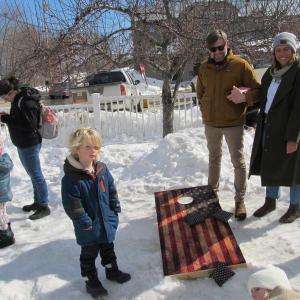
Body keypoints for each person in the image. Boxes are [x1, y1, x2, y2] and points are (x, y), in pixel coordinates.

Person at [196, 29, 260, 220]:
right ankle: (211, 196)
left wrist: (245, 97)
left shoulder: (241, 65)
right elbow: (200, 93)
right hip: (211, 123)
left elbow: (258, 91)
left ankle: (239, 201)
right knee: (213, 159)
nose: (217, 52)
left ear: (227, 44)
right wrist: (205, 109)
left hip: (233, 123)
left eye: (220, 48)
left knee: (237, 162)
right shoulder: (203, 68)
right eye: (212, 49)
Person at [61, 128, 131, 298]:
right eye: (88, 147)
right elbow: (72, 205)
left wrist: (114, 208)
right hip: (87, 226)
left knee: (108, 248)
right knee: (89, 254)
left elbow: (111, 190)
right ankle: (90, 279)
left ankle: (111, 270)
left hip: (106, 221)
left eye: (97, 147)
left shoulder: (102, 170)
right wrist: (84, 221)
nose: (93, 151)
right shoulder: (71, 178)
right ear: (76, 149)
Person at [249, 32, 300, 223]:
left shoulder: (297, 71)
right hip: (269, 125)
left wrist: (293, 137)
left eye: (286, 49)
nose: (282, 53)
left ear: (293, 50)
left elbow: (298, 108)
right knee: (270, 162)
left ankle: (296, 206)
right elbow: (264, 99)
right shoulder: (271, 74)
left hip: (290, 128)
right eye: (278, 50)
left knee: (294, 167)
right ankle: (270, 201)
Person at [0, 77, 50, 220]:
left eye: (4, 97)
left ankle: (44, 206)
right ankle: (38, 201)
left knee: (36, 175)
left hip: (30, 143)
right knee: (32, 174)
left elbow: (29, 125)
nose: (5, 100)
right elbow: (21, 119)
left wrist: (6, 119)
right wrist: (8, 117)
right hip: (23, 143)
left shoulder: (26, 101)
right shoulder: (19, 99)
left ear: (11, 92)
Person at [0, 140, 14, 248]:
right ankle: (7, 228)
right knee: (2, 212)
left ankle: (5, 236)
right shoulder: (4, 160)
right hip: (3, 194)